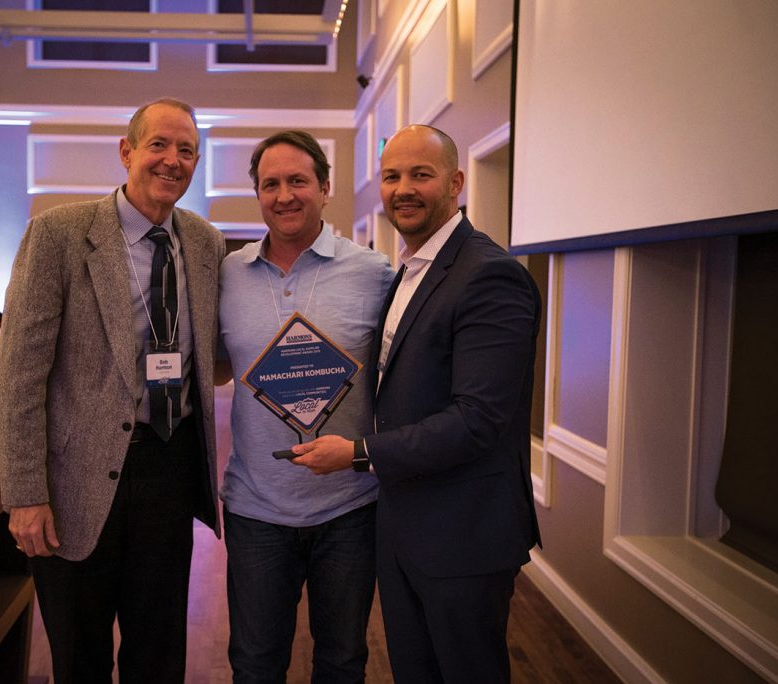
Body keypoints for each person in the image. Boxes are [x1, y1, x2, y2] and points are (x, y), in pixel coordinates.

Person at [292, 125, 542, 683]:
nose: (403, 188)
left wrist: (358, 452)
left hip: (464, 535)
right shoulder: (406, 269)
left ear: (455, 183)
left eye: (420, 175)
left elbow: (477, 422)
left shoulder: (489, 274)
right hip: (405, 525)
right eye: (392, 176)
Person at [0, 97, 225, 683]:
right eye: (159, 145)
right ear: (126, 151)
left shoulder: (204, 243)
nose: (173, 160)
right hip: (75, 478)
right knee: (78, 653)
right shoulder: (58, 235)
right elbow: (20, 374)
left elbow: (216, 356)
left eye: (187, 150)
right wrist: (24, 493)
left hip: (169, 472)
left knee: (158, 650)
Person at [217, 131, 394, 682]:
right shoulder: (227, 275)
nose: (284, 195)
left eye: (298, 181)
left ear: (325, 186)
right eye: (270, 184)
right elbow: (218, 365)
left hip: (350, 507)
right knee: (253, 662)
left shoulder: (375, 272)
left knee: (342, 662)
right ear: (258, 195)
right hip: (255, 508)